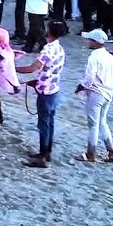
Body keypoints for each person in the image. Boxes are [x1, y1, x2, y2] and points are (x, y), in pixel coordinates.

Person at [16, 20, 67, 168]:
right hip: (53, 89)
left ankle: (42, 156)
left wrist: (14, 69)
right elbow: (50, 70)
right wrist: (37, 81)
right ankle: (47, 152)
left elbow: (33, 68)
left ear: (50, 32)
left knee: (43, 124)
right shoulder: (60, 49)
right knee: (49, 122)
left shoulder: (47, 50)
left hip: (45, 92)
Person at [76, 29, 113, 163]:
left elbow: (89, 78)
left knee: (93, 125)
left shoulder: (94, 57)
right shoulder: (111, 58)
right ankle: (111, 152)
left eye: (90, 40)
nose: (88, 42)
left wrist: (81, 86)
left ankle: (90, 153)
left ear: (95, 42)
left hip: (96, 93)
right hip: (108, 93)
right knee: (102, 122)